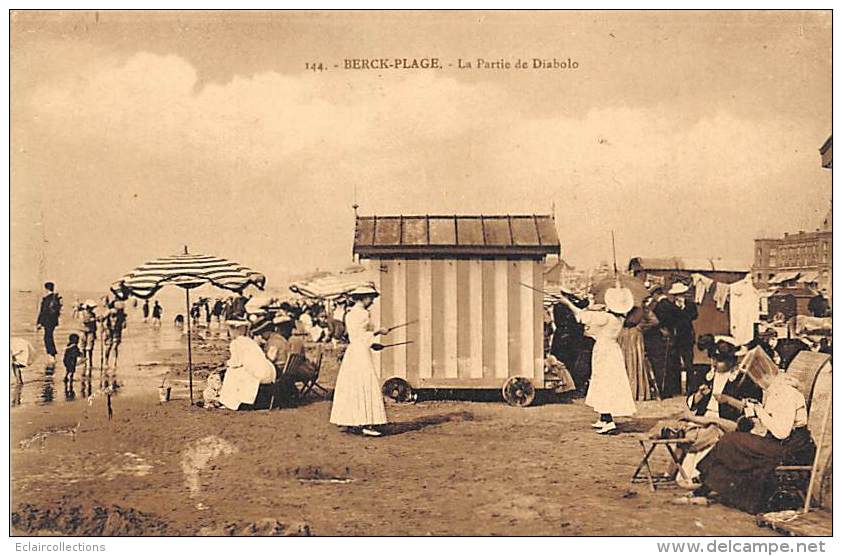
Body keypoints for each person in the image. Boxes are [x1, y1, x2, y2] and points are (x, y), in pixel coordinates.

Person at [695, 347, 816, 514]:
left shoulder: (786, 393)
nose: (758, 383)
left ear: (765, 375)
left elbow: (782, 432)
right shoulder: (775, 391)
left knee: (730, 441)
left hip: (791, 447)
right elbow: (771, 422)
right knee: (733, 441)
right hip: (779, 442)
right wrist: (752, 411)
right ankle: (706, 483)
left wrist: (759, 412)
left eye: (757, 379)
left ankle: (705, 481)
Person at [672, 341, 763, 488]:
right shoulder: (706, 376)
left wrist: (728, 400)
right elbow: (691, 403)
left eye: (719, 360)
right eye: (713, 359)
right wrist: (700, 395)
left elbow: (752, 409)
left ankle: (698, 474)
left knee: (708, 432)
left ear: (731, 361)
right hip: (702, 418)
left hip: (725, 421)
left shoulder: (742, 380)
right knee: (693, 431)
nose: (714, 363)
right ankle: (683, 471)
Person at [556, 286, 636, 434]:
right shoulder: (619, 318)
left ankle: (609, 421)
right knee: (603, 382)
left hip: (605, 351)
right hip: (611, 350)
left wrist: (567, 303)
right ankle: (604, 418)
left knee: (604, 384)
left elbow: (581, 316)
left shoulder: (606, 317)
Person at [329, 285, 389, 436]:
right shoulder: (362, 314)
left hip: (353, 351)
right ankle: (366, 423)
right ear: (364, 297)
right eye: (371, 298)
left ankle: (351, 420)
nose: (372, 302)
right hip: (360, 353)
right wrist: (379, 331)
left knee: (352, 384)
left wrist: (372, 343)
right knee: (364, 382)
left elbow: (357, 336)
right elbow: (362, 335)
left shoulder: (350, 313)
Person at [218, 320, 276, 410]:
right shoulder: (249, 341)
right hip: (269, 371)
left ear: (234, 330)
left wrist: (227, 363)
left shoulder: (236, 343)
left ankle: (234, 401)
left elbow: (236, 362)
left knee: (231, 374)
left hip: (258, 374)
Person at [618, 305, 657, 401]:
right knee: (623, 361)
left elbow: (654, 321)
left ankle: (636, 391)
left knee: (635, 360)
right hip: (622, 335)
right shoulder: (617, 308)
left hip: (634, 336)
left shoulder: (641, 308)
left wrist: (640, 327)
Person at [36, 281, 62, 365]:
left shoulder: (47, 299)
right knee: (49, 336)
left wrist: (39, 322)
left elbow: (43, 311)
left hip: (47, 321)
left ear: (46, 289)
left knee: (47, 337)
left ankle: (51, 355)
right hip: (53, 321)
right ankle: (52, 355)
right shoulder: (56, 298)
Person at [103, 301, 127, 368]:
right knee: (108, 347)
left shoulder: (121, 314)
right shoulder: (109, 312)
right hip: (109, 331)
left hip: (117, 331)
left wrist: (123, 322)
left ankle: (114, 363)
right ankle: (106, 362)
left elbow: (124, 325)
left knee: (114, 347)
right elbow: (102, 318)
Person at [80, 301, 98, 372]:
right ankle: (84, 361)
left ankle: (90, 362)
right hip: (83, 332)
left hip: (91, 332)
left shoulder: (93, 314)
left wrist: (95, 332)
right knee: (83, 348)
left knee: (90, 348)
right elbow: (84, 321)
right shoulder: (82, 313)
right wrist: (92, 320)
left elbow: (94, 325)